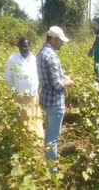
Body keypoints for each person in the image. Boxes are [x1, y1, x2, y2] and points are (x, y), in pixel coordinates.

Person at [36, 26, 74, 162]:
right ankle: (52, 170)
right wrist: (68, 82)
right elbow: (57, 85)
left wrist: (64, 77)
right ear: (53, 39)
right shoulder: (51, 56)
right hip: (55, 102)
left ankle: (47, 161)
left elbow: (51, 78)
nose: (62, 43)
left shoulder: (41, 53)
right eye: (60, 40)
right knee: (54, 137)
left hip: (46, 99)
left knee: (49, 133)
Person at [5, 37, 43, 146]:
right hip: (22, 96)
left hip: (34, 95)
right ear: (18, 47)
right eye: (22, 46)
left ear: (30, 47)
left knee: (36, 117)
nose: (24, 48)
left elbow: (38, 75)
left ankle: (37, 141)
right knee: (25, 120)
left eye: (26, 46)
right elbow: (8, 77)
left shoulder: (34, 59)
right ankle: (27, 144)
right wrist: (17, 89)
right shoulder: (13, 60)